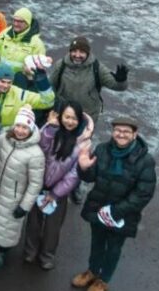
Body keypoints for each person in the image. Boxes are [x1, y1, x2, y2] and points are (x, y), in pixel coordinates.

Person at [72, 116, 156, 291]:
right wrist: (83, 166)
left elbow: (143, 194)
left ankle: (103, 280)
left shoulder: (145, 160)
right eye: (118, 130)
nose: (121, 134)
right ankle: (92, 271)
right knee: (96, 242)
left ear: (135, 134)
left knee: (113, 248)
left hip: (122, 215)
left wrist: (115, 212)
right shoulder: (102, 149)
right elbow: (89, 177)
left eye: (126, 131)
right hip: (98, 207)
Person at [23, 102, 94, 270]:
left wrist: (55, 193)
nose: (70, 122)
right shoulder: (50, 131)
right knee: (33, 221)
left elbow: (74, 174)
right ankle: (30, 251)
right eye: (67, 117)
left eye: (74, 119)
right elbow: (40, 151)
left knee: (53, 227)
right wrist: (49, 130)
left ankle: (47, 255)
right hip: (39, 185)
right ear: (61, 117)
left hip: (59, 192)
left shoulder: (83, 143)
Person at [0, 106, 45, 271]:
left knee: (7, 227)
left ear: (31, 129)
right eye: (18, 126)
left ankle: (2, 252)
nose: (21, 131)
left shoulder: (36, 154)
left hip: (15, 197)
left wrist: (25, 206)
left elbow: (35, 184)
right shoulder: (5, 138)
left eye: (25, 127)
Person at [50, 36, 129, 124]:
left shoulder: (97, 67)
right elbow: (50, 86)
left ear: (87, 53)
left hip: (87, 115)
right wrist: (55, 104)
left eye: (82, 52)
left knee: (83, 137)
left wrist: (121, 81)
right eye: (74, 51)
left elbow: (116, 86)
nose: (77, 55)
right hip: (64, 113)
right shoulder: (61, 65)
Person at [0, 63, 55, 136]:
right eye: (2, 81)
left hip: (10, 136)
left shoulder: (20, 94)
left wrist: (43, 82)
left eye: (9, 82)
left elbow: (48, 102)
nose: (5, 85)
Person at [0, 7, 47, 72]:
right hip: (0, 77)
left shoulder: (37, 44)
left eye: (20, 21)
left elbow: (38, 69)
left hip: (20, 80)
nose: (16, 24)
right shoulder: (4, 34)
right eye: (15, 20)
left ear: (28, 23)